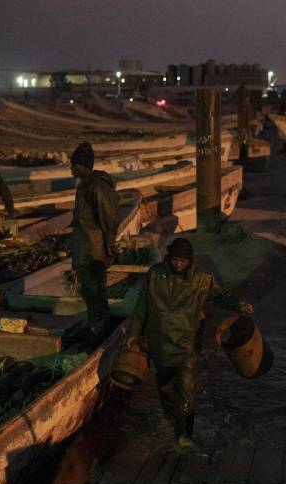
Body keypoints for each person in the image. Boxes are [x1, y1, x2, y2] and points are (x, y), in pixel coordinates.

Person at [126, 237, 253, 448]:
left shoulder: (202, 280)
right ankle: (168, 418)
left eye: (183, 261)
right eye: (175, 260)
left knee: (186, 388)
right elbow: (143, 306)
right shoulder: (155, 274)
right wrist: (134, 333)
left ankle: (185, 435)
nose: (178, 264)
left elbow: (221, 295)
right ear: (169, 258)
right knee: (165, 385)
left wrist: (240, 305)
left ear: (190, 261)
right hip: (160, 341)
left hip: (187, 344)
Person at [69, 141, 120, 341]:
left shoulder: (97, 186)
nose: (71, 168)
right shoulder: (84, 185)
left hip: (94, 249)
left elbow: (108, 218)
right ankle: (95, 326)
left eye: (73, 165)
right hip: (85, 247)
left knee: (95, 290)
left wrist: (109, 244)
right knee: (91, 291)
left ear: (82, 166)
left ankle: (99, 330)